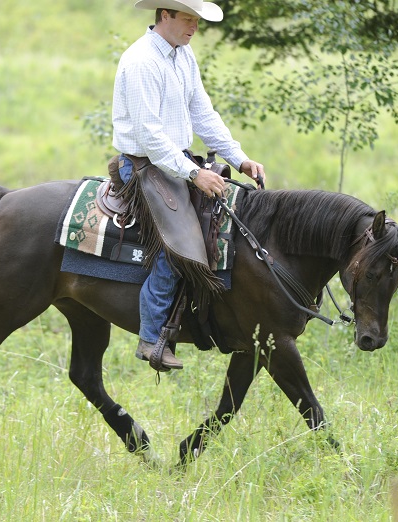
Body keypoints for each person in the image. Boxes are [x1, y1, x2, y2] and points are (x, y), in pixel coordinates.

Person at [113, 0, 266, 371]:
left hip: (174, 161)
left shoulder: (183, 55)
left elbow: (202, 112)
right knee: (177, 243)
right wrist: (195, 174)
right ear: (164, 15)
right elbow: (150, 137)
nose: (194, 26)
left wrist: (238, 158)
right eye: (188, 18)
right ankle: (152, 338)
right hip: (145, 166)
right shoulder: (141, 62)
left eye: (197, 20)